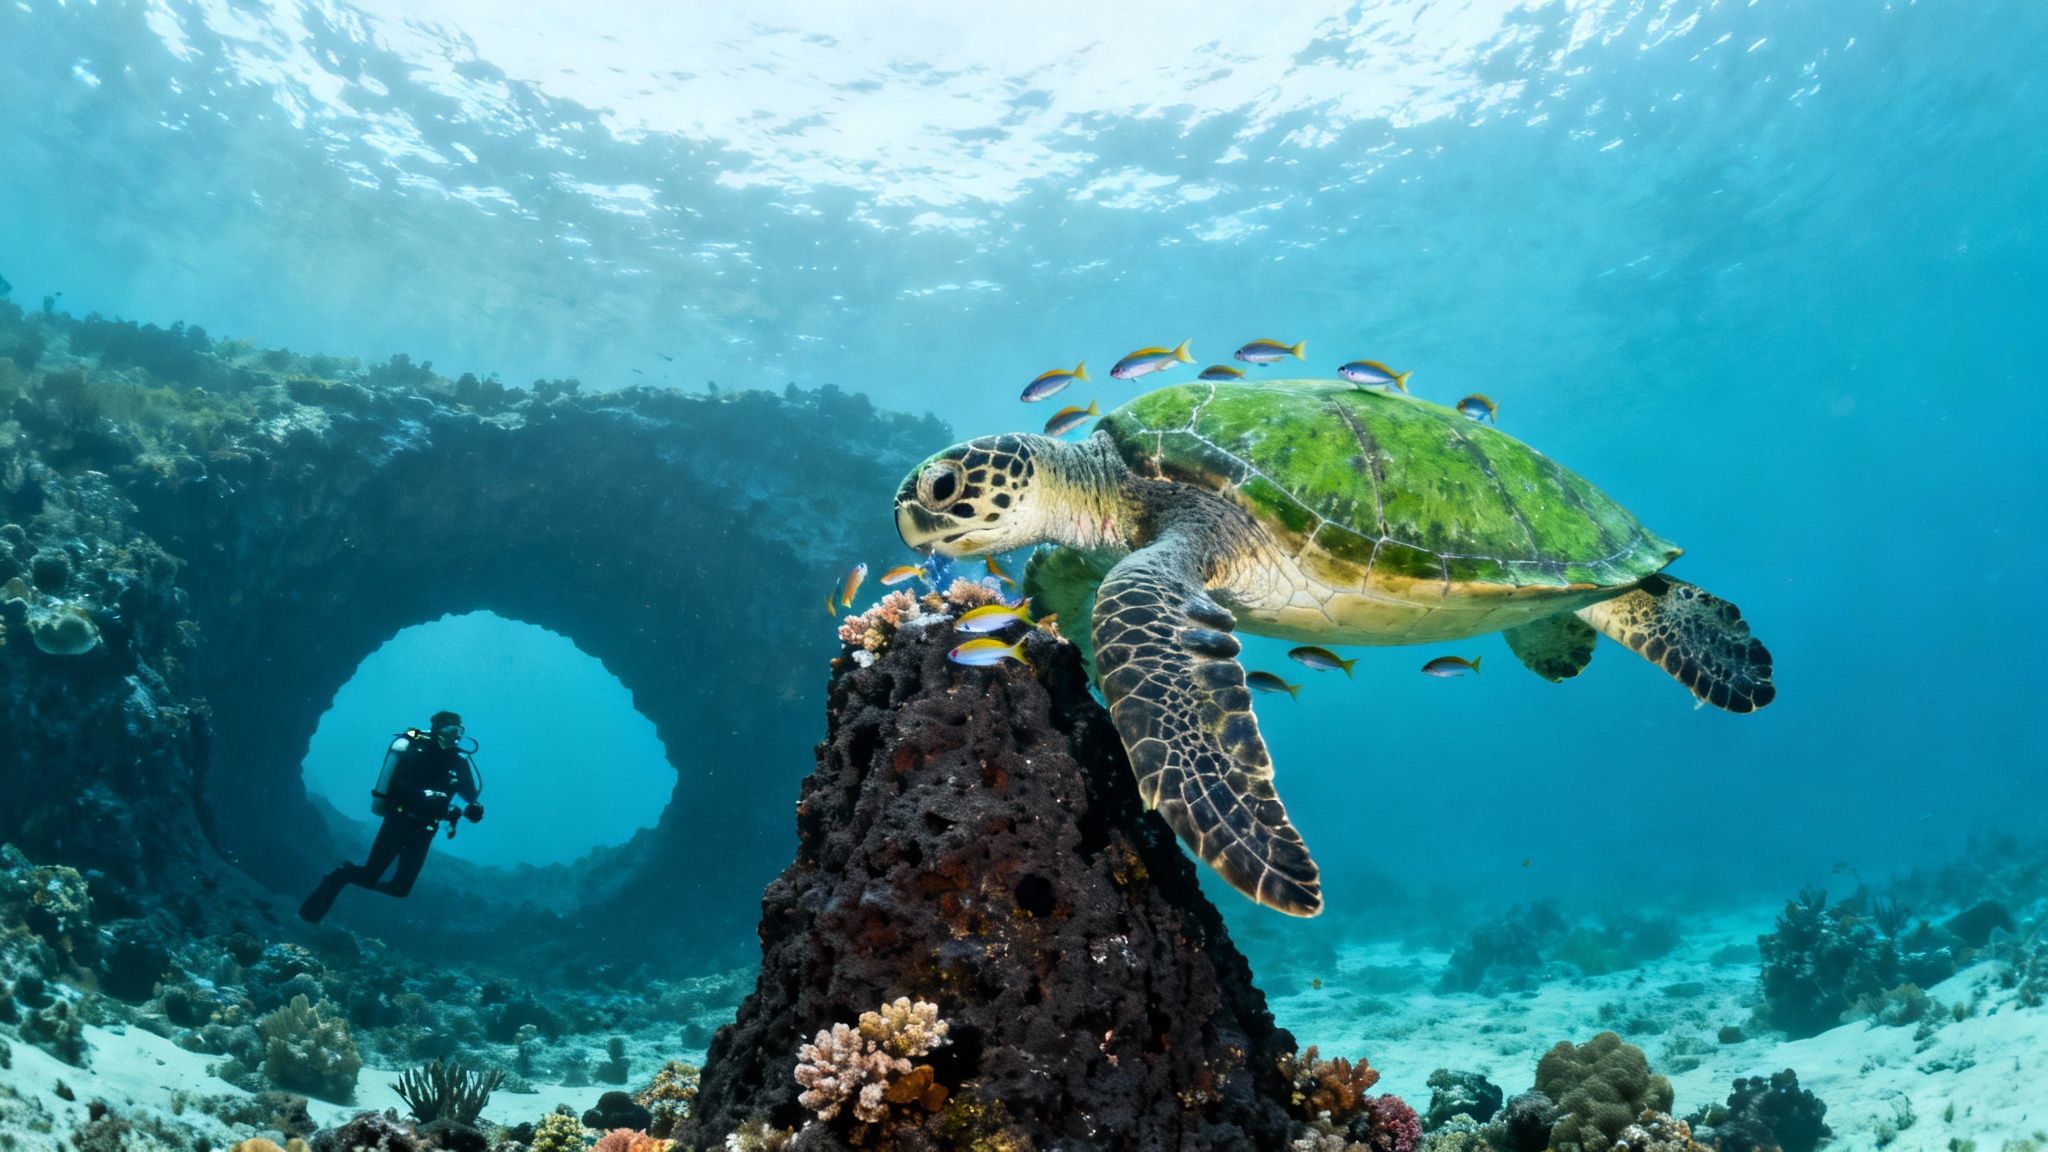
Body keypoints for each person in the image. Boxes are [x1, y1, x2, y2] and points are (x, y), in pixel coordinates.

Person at [299, 710, 483, 924]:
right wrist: (429, 797)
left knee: (400, 889)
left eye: (459, 731)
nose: (456, 736)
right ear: (436, 729)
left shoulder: (459, 761)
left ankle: (348, 877)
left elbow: (469, 794)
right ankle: (336, 882)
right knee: (369, 875)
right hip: (398, 821)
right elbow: (397, 787)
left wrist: (474, 808)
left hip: (426, 829)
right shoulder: (416, 750)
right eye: (451, 729)